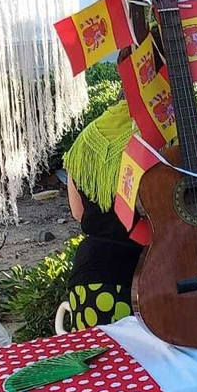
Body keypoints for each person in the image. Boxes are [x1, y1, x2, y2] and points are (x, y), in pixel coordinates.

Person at [60, 101, 146, 328]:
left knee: (104, 362)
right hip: (151, 277)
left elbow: (79, 213)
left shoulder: (84, 142)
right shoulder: (160, 137)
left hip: (91, 277)